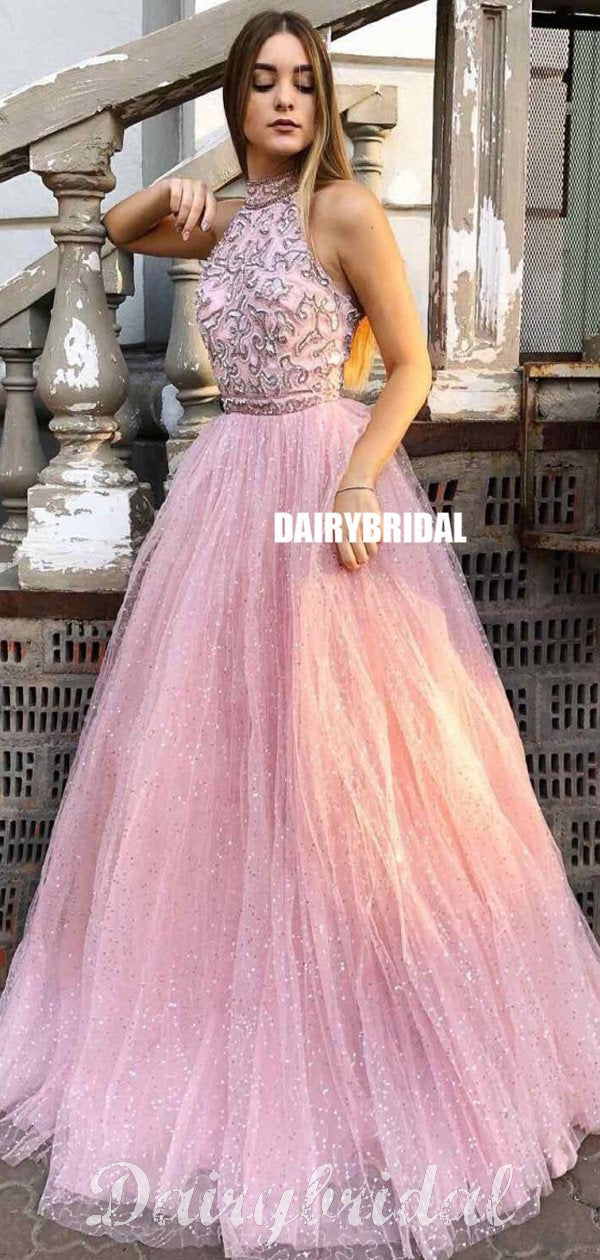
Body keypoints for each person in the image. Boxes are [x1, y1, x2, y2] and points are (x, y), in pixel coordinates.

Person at [1, 9, 600, 1260]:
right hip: (227, 488)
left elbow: (413, 364)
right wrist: (165, 197)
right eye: (264, 83)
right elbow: (117, 233)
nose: (285, 100)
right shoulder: (229, 214)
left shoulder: (345, 211)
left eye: (303, 82)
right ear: (236, 102)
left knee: (351, 764)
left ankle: (383, 1011)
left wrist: (358, 478)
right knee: (220, 761)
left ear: (323, 100)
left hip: (323, 484)